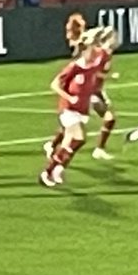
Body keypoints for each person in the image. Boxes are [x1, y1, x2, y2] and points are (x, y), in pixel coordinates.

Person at [40, 33, 101, 187]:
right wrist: (69, 97)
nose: (93, 54)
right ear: (84, 51)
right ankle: (48, 171)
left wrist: (93, 99)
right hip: (68, 110)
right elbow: (54, 84)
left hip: (82, 111)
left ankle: (55, 169)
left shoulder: (92, 68)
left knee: (68, 145)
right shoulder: (74, 67)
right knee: (79, 138)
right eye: (91, 51)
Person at [90, 27, 120, 161]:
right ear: (108, 39)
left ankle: (99, 149)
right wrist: (110, 77)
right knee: (109, 118)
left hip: (97, 91)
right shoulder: (102, 54)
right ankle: (98, 150)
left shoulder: (107, 54)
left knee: (110, 118)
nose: (116, 40)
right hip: (89, 91)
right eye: (114, 37)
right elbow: (93, 72)